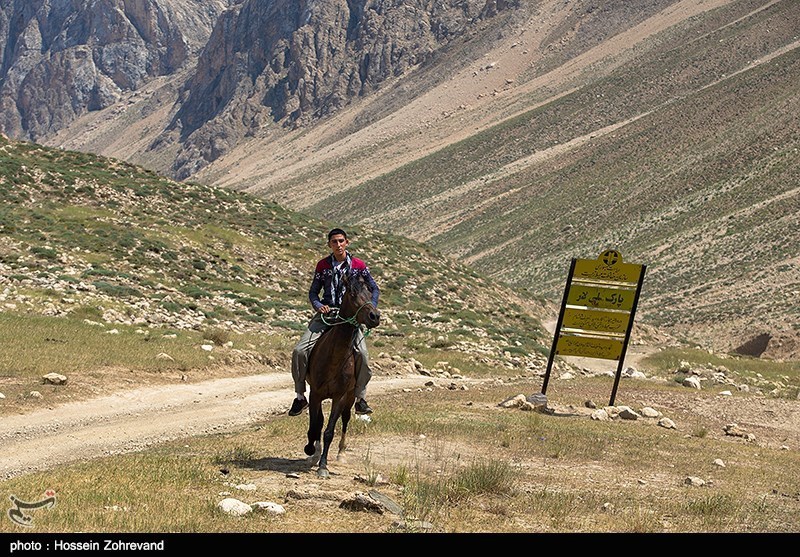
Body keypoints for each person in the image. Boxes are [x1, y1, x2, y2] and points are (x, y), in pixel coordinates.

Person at [289, 228, 380, 416]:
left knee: (363, 355)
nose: (338, 245)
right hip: (327, 315)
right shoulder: (323, 265)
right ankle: (300, 396)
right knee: (299, 351)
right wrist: (318, 305)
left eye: (341, 241)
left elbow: (374, 288)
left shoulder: (358, 265)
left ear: (347, 242)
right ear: (329, 245)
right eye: (334, 242)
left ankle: (360, 398)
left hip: (350, 318)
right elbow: (313, 292)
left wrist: (369, 307)